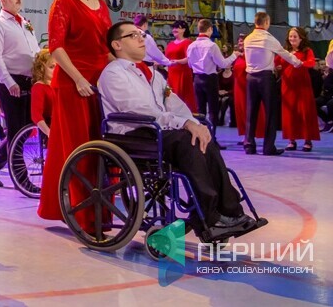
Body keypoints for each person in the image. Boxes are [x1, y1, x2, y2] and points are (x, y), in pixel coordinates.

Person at [98, 20, 256, 236]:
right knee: (186, 141)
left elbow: (174, 103)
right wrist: (184, 123)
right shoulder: (113, 73)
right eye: (133, 35)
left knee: (203, 138)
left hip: (157, 130)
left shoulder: (154, 74)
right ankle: (210, 217)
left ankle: (229, 211)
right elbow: (137, 110)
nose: (141, 38)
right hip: (132, 133)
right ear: (117, 45)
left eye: (141, 35)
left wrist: (194, 123)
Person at [38, 0, 111, 226]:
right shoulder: (64, 2)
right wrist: (79, 78)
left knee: (101, 146)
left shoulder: (100, 3)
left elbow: (106, 47)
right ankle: (84, 213)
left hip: (101, 82)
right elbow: (56, 47)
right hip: (73, 83)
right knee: (79, 149)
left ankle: (97, 207)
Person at [0, 0, 38, 187]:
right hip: (10, 82)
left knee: (25, 129)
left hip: (28, 80)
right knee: (16, 131)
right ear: (3, 1)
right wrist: (8, 81)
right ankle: (21, 179)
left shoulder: (24, 23)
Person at [243, 12, 301, 156]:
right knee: (271, 113)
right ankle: (268, 147)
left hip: (250, 78)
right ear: (266, 22)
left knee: (251, 112)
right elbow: (284, 53)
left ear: (255, 22)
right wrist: (298, 63)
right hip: (265, 78)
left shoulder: (247, 39)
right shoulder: (268, 39)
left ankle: (249, 145)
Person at [186, 18, 238, 146]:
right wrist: (234, 55)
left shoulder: (191, 45)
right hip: (210, 79)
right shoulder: (211, 45)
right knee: (213, 111)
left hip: (197, 79)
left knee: (200, 111)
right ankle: (212, 139)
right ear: (210, 29)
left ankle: (200, 138)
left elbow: (189, 64)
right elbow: (223, 63)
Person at [276, 27, 320, 152]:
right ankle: (291, 140)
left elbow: (311, 63)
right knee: (290, 112)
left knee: (305, 111)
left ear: (301, 38)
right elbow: (275, 62)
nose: (292, 39)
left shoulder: (307, 51)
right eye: (290, 36)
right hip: (288, 86)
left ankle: (307, 140)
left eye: (295, 36)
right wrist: (277, 66)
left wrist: (301, 63)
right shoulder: (285, 52)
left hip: (302, 86)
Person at [165, 20, 197, 112]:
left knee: (183, 97)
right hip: (171, 75)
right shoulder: (170, 44)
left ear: (184, 29)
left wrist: (177, 62)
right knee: (170, 96)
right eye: (173, 28)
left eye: (177, 28)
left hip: (183, 74)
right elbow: (165, 59)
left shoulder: (188, 43)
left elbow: (189, 58)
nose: (174, 30)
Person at [30, 48, 55, 137]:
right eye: (51, 67)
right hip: (51, 126)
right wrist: (49, 132)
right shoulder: (39, 87)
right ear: (42, 68)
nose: (56, 70)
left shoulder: (58, 84)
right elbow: (36, 115)